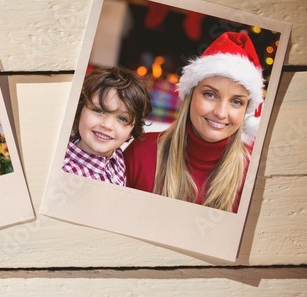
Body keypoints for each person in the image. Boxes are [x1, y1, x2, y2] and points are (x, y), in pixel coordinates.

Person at [124, 31, 264, 212]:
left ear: (246, 111)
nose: (221, 113)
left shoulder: (255, 172)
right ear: (190, 96)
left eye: (237, 102)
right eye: (210, 94)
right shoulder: (142, 151)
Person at [61, 67, 151, 185]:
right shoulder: (62, 169)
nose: (107, 125)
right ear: (79, 110)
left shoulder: (118, 158)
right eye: (98, 111)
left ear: (131, 131)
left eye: (122, 118)